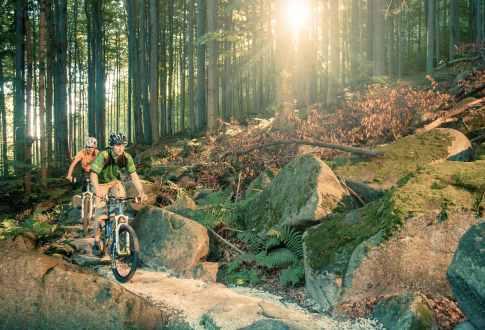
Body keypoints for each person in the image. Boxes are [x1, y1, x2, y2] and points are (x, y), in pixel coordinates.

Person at [90, 132, 146, 255]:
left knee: (121, 199)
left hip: (114, 182)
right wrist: (98, 191)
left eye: (122, 145)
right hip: (100, 183)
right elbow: (93, 174)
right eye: (117, 145)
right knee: (100, 214)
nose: (120, 148)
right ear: (111, 146)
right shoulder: (103, 155)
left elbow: (134, 176)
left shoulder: (126, 157)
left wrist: (141, 192)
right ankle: (97, 240)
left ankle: (119, 230)